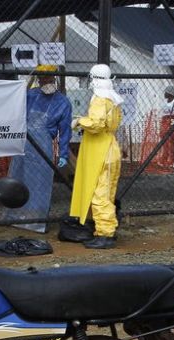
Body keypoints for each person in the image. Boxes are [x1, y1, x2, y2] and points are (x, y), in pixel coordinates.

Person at [2, 64, 72, 233]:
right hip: (23, 142)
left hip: (42, 145)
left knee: (40, 184)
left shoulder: (63, 102)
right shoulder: (30, 95)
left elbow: (65, 131)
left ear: (53, 78)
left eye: (47, 78)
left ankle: (36, 221)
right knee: (18, 179)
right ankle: (15, 216)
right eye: (41, 78)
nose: (43, 81)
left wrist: (63, 153)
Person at [64, 64, 123, 250]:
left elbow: (96, 124)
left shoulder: (100, 98)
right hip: (110, 146)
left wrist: (79, 121)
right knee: (106, 192)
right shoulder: (113, 99)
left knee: (100, 193)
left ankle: (105, 234)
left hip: (100, 151)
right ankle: (102, 229)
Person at [158, 84, 174, 168]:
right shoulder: (164, 103)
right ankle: (171, 160)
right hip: (164, 123)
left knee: (170, 141)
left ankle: (169, 160)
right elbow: (162, 114)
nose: (164, 93)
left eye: (166, 92)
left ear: (170, 93)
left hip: (173, 124)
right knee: (165, 142)